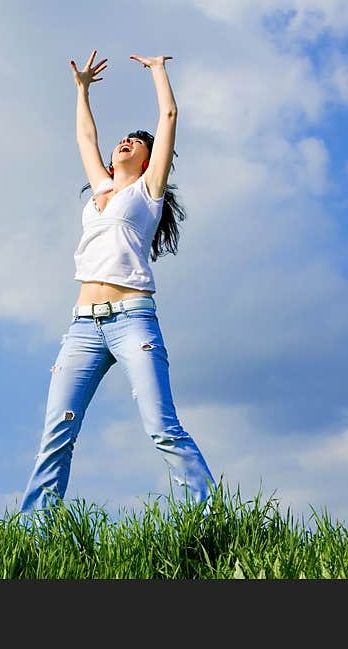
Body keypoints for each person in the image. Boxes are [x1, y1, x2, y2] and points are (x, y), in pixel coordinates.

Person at [18, 50, 216, 519]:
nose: (126, 141)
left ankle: (208, 518)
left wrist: (158, 70)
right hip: (83, 327)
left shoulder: (147, 194)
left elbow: (168, 116)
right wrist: (82, 90)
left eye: (136, 141)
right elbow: (86, 137)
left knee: (161, 426)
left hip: (132, 321)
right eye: (122, 139)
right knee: (55, 433)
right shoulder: (102, 192)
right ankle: (32, 533)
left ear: (150, 162)